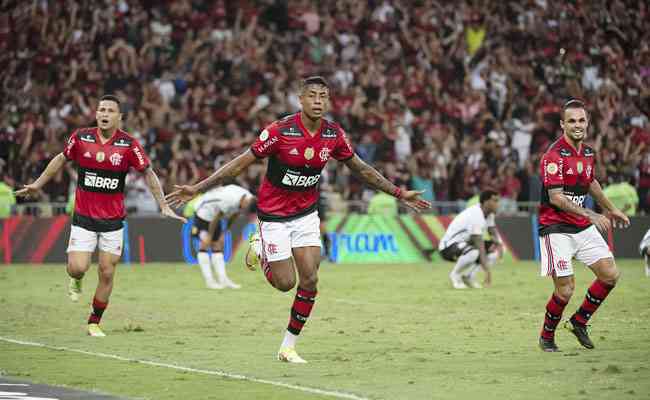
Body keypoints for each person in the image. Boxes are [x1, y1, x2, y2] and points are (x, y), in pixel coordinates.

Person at [167, 76, 430, 363]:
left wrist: (399, 193)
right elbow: (239, 164)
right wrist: (198, 188)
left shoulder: (333, 135)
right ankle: (263, 248)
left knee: (311, 279)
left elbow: (362, 169)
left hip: (305, 215)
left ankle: (288, 347)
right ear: (300, 100)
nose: (318, 101)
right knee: (285, 283)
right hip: (274, 216)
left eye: (323, 97)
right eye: (312, 96)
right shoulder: (280, 131)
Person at [16, 95, 185, 337]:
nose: (105, 114)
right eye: (101, 110)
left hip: (113, 221)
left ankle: (94, 321)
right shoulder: (81, 138)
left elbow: (148, 173)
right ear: (96, 114)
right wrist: (38, 184)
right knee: (77, 267)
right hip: (84, 217)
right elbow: (60, 159)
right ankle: (75, 279)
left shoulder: (129, 145)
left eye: (110, 111)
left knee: (107, 272)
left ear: (119, 117)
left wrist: (163, 204)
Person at [537, 99, 630, 352]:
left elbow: (591, 183)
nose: (577, 125)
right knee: (565, 290)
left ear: (587, 123)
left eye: (581, 120)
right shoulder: (553, 157)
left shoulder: (588, 153)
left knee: (610, 275)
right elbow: (556, 197)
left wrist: (612, 209)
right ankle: (547, 336)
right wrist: (591, 214)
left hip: (581, 225)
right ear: (562, 125)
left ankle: (579, 321)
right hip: (555, 227)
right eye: (571, 121)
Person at [191, 184, 255, 289]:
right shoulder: (230, 199)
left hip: (215, 212)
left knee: (218, 245)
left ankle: (223, 279)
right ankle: (209, 281)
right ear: (246, 202)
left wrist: (225, 231)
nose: (244, 210)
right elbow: (217, 218)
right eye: (245, 208)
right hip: (203, 211)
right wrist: (210, 235)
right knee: (205, 244)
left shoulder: (248, 200)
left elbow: (235, 214)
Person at [438, 190, 501, 289]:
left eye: (498, 201)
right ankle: (455, 276)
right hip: (448, 247)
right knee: (475, 252)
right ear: (485, 202)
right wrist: (488, 271)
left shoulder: (489, 214)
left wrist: (499, 245)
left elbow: (492, 230)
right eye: (495, 201)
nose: (498, 204)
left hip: (464, 245)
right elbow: (479, 244)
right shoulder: (476, 215)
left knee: (493, 252)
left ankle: (469, 277)